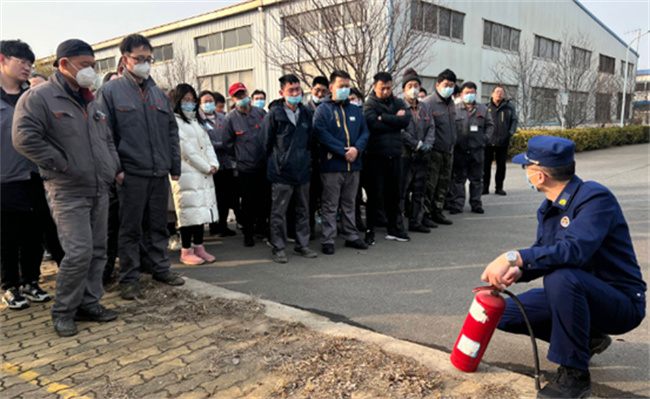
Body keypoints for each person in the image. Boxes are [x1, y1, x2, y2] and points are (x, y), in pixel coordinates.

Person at [481, 136, 646, 399]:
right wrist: (521, 271)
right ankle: (589, 339)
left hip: (620, 301)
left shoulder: (595, 199)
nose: (526, 173)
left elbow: (573, 251)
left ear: (540, 176)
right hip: (576, 293)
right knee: (504, 313)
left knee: (562, 277)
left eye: (528, 168)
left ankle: (575, 376)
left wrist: (512, 256)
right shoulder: (550, 208)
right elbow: (548, 251)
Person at [13, 39, 121, 336]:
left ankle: (89, 303)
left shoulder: (93, 100)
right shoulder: (40, 98)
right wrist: (61, 164)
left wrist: (111, 167)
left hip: (99, 186)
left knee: (98, 250)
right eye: (84, 65)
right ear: (64, 64)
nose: (90, 71)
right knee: (78, 252)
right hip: (67, 189)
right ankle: (63, 310)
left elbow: (107, 140)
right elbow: (24, 138)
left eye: (92, 65)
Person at [96, 34, 184, 300]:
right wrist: (116, 169)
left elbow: (171, 132)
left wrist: (174, 165)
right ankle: (129, 279)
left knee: (158, 226)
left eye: (149, 59)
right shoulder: (110, 92)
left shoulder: (159, 94)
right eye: (139, 59)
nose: (145, 64)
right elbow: (104, 135)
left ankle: (160, 268)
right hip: (130, 174)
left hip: (158, 173)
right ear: (125, 59)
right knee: (130, 229)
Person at [1, 40, 51, 310]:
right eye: (21, 61)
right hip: (4, 179)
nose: (27, 67)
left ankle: (32, 280)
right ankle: (9, 286)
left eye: (30, 63)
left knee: (34, 232)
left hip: (35, 175)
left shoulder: (32, 96)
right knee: (8, 237)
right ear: (2, 60)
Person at [262, 74, 318, 263]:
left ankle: (302, 245)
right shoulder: (274, 115)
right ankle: (278, 247)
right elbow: (265, 144)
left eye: (298, 89)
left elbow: (310, 141)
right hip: (281, 172)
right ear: (282, 93)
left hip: (302, 171)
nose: (295, 93)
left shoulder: (305, 113)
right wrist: (275, 164)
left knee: (303, 210)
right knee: (279, 212)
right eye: (291, 90)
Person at [313, 70, 370, 255]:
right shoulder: (322, 110)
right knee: (330, 204)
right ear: (331, 88)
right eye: (341, 86)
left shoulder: (355, 110)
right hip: (332, 166)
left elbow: (365, 132)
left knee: (349, 202)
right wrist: (343, 151)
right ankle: (328, 238)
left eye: (347, 86)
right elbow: (322, 135)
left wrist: (357, 149)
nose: (345, 90)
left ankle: (351, 235)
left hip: (353, 165)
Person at [170, 84, 219, 265]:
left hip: (203, 174)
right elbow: (185, 150)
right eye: (185, 100)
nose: (189, 104)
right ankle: (186, 250)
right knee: (187, 214)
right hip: (185, 175)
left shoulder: (196, 121)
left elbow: (208, 145)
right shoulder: (174, 121)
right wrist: (206, 166)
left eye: (192, 100)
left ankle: (199, 246)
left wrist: (214, 164)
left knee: (200, 212)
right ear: (178, 101)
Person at [362, 72, 411, 245]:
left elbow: (405, 120)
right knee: (375, 196)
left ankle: (394, 229)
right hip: (376, 157)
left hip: (396, 156)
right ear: (375, 87)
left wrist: (385, 118)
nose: (386, 91)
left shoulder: (397, 102)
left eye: (389, 88)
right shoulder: (369, 105)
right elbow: (373, 124)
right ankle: (370, 231)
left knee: (395, 195)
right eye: (382, 88)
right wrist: (394, 119)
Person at [222, 82, 269, 247]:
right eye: (238, 96)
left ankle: (262, 229)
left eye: (243, 94)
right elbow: (227, 144)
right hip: (245, 168)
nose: (242, 98)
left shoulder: (261, 113)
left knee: (265, 200)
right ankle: (248, 233)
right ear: (233, 99)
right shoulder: (230, 119)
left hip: (262, 165)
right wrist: (240, 157)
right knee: (248, 203)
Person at [448, 82, 493, 215]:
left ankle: (476, 203)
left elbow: (490, 125)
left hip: (477, 150)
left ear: (476, 94)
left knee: (477, 180)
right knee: (458, 180)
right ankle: (457, 204)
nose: (469, 95)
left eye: (472, 93)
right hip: (460, 150)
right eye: (467, 93)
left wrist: (484, 139)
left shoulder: (482, 109)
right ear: (461, 94)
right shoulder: (454, 108)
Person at [398, 68, 435, 233]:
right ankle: (398, 223)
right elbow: (400, 130)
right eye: (410, 86)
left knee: (419, 190)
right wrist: (415, 144)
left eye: (416, 86)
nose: (414, 89)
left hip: (422, 156)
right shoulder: (398, 106)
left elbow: (431, 128)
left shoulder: (425, 107)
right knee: (402, 191)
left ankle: (415, 221)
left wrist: (426, 144)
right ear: (404, 89)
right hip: (405, 155)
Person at [421, 69, 458, 227]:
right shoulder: (428, 103)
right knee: (430, 184)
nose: (448, 88)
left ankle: (438, 211)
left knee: (444, 183)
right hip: (434, 151)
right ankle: (425, 214)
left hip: (448, 151)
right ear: (437, 85)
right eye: (445, 84)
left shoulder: (451, 103)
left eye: (451, 85)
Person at [199, 90, 239, 237]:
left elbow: (231, 136)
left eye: (211, 101)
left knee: (225, 197)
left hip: (226, 163)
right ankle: (213, 226)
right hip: (210, 165)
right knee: (212, 197)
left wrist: (226, 144)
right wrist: (220, 144)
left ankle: (223, 225)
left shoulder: (223, 118)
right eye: (206, 101)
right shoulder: (199, 121)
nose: (209, 104)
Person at [306, 76, 329, 238]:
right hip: (310, 159)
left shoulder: (330, 108)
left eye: (323, 91)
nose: (320, 94)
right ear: (311, 89)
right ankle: (309, 227)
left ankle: (329, 229)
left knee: (328, 197)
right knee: (311, 198)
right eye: (317, 90)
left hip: (327, 158)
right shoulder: (304, 109)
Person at [483, 86, 518, 196]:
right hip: (488, 141)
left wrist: (510, 133)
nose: (499, 94)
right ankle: (484, 187)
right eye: (497, 92)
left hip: (503, 141)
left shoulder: (509, 107)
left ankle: (499, 187)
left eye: (502, 92)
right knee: (485, 166)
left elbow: (514, 120)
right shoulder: (486, 107)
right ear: (492, 94)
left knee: (501, 166)